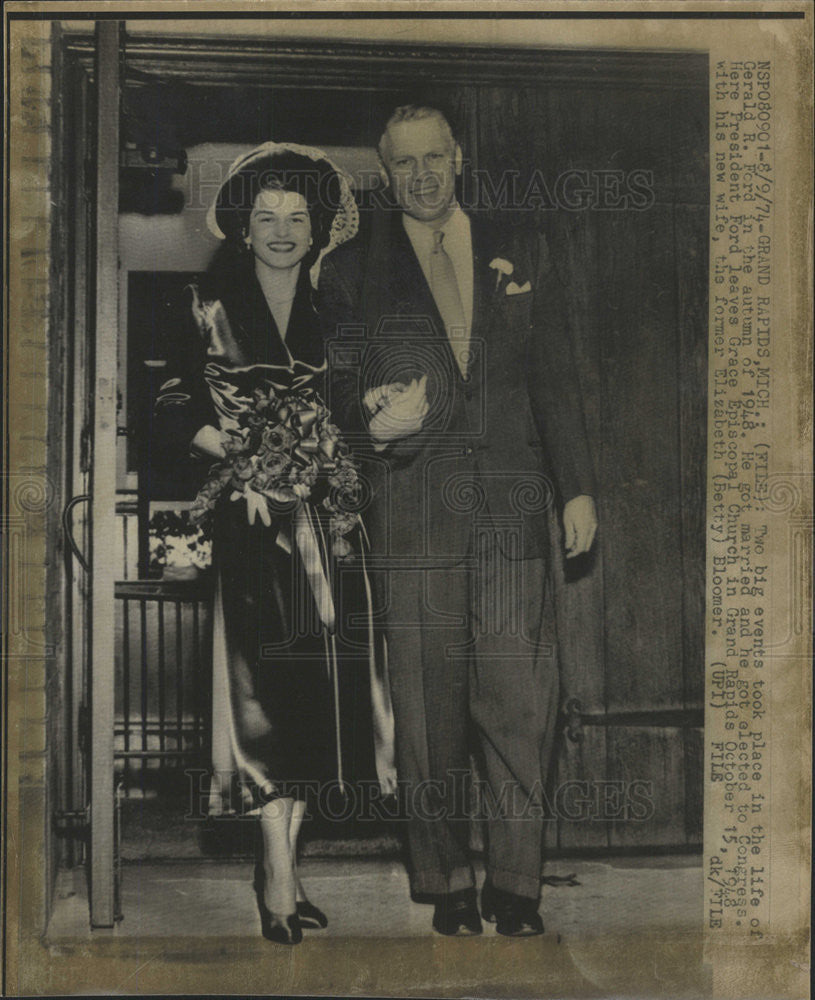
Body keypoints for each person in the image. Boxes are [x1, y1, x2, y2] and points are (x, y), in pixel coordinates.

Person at [318, 106, 598, 937]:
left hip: (513, 512)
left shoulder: (524, 250)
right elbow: (332, 384)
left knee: (520, 701)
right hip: (413, 513)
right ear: (385, 172)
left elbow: (557, 373)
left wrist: (576, 487)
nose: (422, 175)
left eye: (434, 156)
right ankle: (444, 883)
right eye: (403, 164)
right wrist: (367, 419)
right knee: (427, 708)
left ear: (459, 157)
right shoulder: (349, 269)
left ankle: (517, 885)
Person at [154, 143, 395, 945]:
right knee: (263, 702)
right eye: (267, 217)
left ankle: (280, 864)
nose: (283, 231)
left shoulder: (338, 310)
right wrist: (244, 452)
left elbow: (356, 414)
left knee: (320, 705)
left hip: (331, 529)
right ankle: (280, 877)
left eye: (297, 217)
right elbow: (165, 404)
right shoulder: (203, 302)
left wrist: (371, 426)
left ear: (317, 226)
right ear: (243, 228)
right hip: (255, 524)